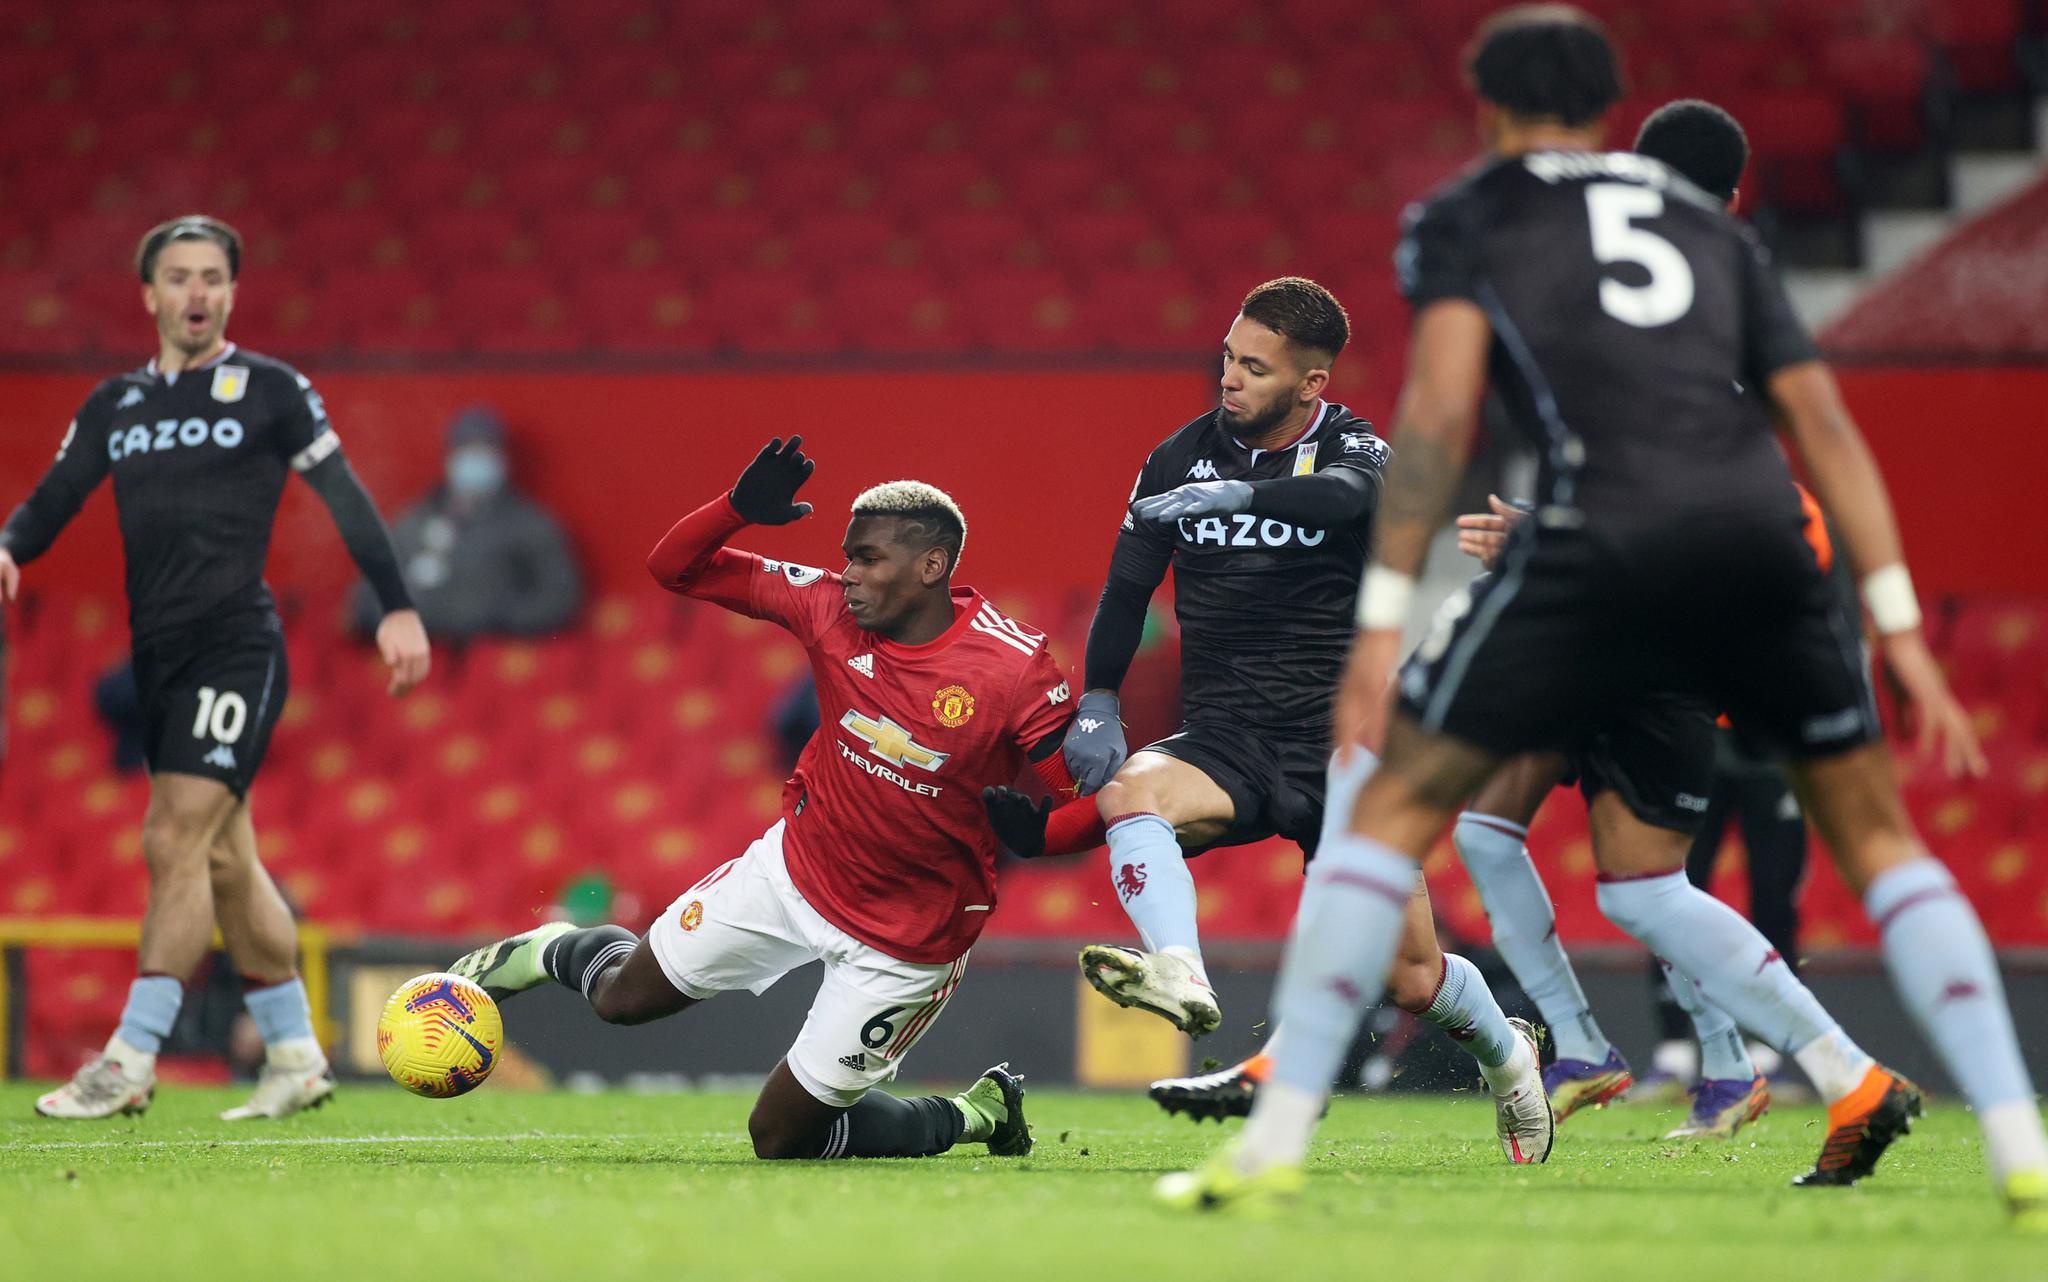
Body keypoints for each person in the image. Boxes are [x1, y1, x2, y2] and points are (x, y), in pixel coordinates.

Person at [1163, 7, 2047, 1225]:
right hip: (1757, 545)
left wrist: (1376, 625)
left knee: (1384, 807)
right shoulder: (1708, 226)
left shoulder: (1474, 213)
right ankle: (2008, 1139)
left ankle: (1267, 1146)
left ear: (1487, 106)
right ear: (1600, 107)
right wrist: (1890, 617)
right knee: (1871, 844)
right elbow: (1824, 430)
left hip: (1600, 543)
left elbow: (1430, 423)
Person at [1003, 277, 1552, 1163]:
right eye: (1227, 358)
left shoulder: (1358, 447)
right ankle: (1179, 968)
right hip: (1227, 738)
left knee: (1411, 979)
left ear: (1312, 383)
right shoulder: (1175, 458)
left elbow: (1343, 499)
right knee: (1131, 794)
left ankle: (1508, 1054)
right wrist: (1100, 699)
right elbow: (1125, 591)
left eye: (1255, 369)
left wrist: (1238, 500)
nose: (1230, 380)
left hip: (1349, 747)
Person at [451, 437, 1067, 1162]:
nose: (850, 573)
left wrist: (1051, 829)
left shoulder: (1013, 666)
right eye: (849, 555)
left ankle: (979, 1113)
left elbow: (1079, 795)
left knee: (779, 1138)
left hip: (907, 939)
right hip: (792, 874)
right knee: (621, 999)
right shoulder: (829, 607)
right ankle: (544, 949)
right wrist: (736, 510)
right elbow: (674, 567)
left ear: (931, 566)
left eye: (869, 558)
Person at [3, 215, 430, 1120]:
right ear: (149, 295)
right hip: (156, 651)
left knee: (172, 839)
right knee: (228, 863)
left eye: (212, 277)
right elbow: (55, 498)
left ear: (231, 293)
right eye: (179, 276)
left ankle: (129, 1056)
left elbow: (345, 497)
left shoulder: (270, 390)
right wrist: (8, 547)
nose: (197, 292)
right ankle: (295, 1053)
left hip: (235, 643)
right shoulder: (116, 407)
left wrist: (394, 602)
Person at [349, 405, 581, 642]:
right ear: (450, 457)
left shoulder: (531, 526)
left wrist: (496, 616)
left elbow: (559, 599)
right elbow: (366, 600)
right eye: (467, 450)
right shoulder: (411, 522)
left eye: (485, 451)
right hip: (420, 656)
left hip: (492, 656)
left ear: (503, 460)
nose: (475, 461)